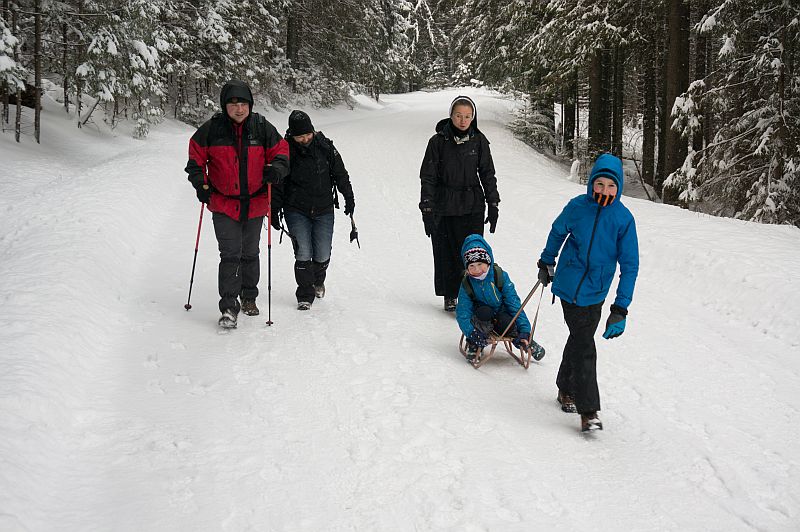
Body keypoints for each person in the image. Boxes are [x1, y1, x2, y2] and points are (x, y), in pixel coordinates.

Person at [537, 153, 639, 432]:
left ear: (618, 188)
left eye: (611, 186)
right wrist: (547, 261)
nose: (604, 190)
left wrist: (620, 308)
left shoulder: (623, 219)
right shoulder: (577, 207)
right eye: (600, 184)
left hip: (596, 292)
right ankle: (588, 410)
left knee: (579, 339)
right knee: (584, 345)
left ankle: (565, 387)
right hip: (569, 287)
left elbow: (630, 265)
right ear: (591, 183)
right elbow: (558, 232)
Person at [185, 79, 289, 328]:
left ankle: (249, 296)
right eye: (233, 105)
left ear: (250, 105)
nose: (239, 109)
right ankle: (230, 307)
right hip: (223, 204)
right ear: (224, 106)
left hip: (255, 203)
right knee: (230, 254)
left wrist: (276, 169)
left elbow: (282, 152)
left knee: (250, 253)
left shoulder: (262, 127)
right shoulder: (212, 129)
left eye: (243, 104)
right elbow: (195, 159)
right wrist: (201, 184)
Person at [419, 95, 500, 312]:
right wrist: (427, 208)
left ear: (473, 117)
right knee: (445, 251)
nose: (463, 120)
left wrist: (493, 203)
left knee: (473, 252)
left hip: (472, 204)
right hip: (444, 205)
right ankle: (450, 294)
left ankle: (473, 295)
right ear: (451, 116)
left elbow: (487, 173)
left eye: (467, 116)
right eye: (458, 115)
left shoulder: (479, 140)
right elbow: (428, 177)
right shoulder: (437, 142)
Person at [271, 110, 355, 310]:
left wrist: (348, 197)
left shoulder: (326, 147)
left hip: (324, 208)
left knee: (323, 253)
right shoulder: (285, 152)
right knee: (303, 252)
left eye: (308, 134)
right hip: (295, 209)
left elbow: (341, 174)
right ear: (292, 135)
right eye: (300, 136)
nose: (305, 139)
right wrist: (273, 210)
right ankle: (304, 294)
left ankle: (318, 280)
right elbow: (278, 184)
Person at [456, 234, 545, 362]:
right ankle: (474, 343)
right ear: (467, 268)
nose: (477, 270)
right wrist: (471, 332)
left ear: (488, 262)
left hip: (500, 313)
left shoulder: (499, 276)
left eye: (480, 264)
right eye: (472, 266)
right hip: (481, 318)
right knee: (484, 312)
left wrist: (525, 329)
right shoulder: (467, 284)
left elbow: (514, 304)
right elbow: (463, 312)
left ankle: (524, 339)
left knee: (507, 322)